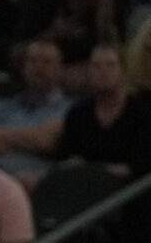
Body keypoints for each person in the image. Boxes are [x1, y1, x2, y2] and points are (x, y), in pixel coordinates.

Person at [0, 38, 73, 186]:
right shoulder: (0, 107)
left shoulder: (70, 110)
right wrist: (32, 137)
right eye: (32, 61)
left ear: (60, 69)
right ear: (23, 67)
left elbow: (46, 140)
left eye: (47, 62)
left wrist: (1, 138)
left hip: (43, 184)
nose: (39, 68)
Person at [60, 44, 151, 177]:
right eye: (96, 66)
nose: (103, 71)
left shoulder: (142, 114)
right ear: (88, 73)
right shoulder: (77, 115)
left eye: (110, 65)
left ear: (124, 72)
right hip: (86, 184)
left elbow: (142, 165)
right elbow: (71, 160)